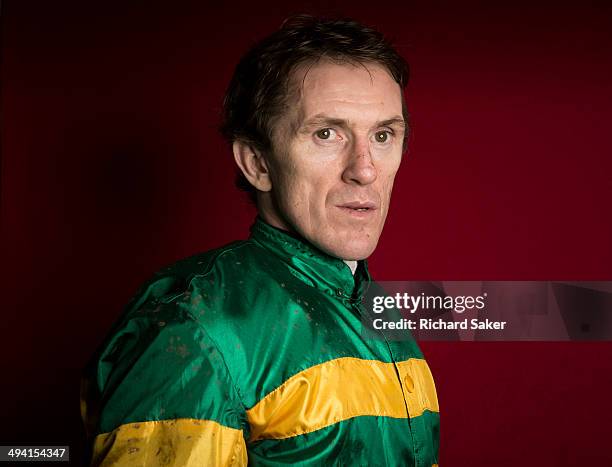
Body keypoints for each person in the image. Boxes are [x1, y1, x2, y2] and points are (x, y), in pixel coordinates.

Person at [81, 15, 440, 466]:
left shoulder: (377, 312)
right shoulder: (194, 329)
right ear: (257, 163)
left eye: (383, 135)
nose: (365, 170)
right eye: (327, 133)